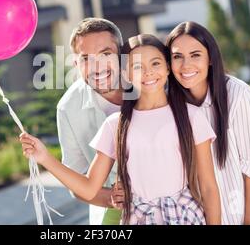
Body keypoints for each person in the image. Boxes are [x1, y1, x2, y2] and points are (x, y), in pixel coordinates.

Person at [20, 34, 221, 225]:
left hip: (185, 216)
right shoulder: (115, 125)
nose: (148, 72)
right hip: (138, 218)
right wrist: (45, 158)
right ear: (125, 73)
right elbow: (89, 189)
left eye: (155, 63)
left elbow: (209, 188)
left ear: (168, 67)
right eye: (137, 66)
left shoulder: (191, 116)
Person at [165, 21, 250, 224]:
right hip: (217, 211)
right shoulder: (173, 105)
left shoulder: (238, 95)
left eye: (195, 55)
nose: (186, 65)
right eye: (177, 57)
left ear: (210, 58)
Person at [56, 18, 124, 224]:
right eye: (86, 58)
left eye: (105, 54)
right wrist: (113, 199)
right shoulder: (68, 108)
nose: (97, 67)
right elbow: (75, 182)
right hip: (109, 213)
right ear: (76, 64)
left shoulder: (148, 84)